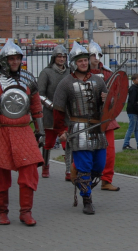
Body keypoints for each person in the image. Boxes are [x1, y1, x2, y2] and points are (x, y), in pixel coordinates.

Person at [0, 39, 44, 226]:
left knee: (29, 172)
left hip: (23, 131)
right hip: (0, 131)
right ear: (4, 60)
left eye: (17, 58)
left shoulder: (29, 79)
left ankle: (25, 212)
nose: (14, 62)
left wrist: (40, 131)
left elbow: (36, 106)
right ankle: (2, 211)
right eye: (11, 58)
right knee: (1, 175)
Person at [52, 42, 108, 215]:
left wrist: (107, 100)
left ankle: (81, 182)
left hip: (97, 128)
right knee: (84, 165)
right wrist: (61, 131)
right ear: (74, 63)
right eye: (80, 61)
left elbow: (108, 107)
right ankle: (87, 200)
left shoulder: (98, 81)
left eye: (85, 60)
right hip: (78, 129)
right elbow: (58, 109)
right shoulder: (66, 83)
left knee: (99, 165)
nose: (84, 63)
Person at [88, 41, 120, 192]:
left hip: (106, 117)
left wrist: (108, 98)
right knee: (86, 150)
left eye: (98, 55)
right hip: (87, 117)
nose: (96, 58)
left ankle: (106, 180)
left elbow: (116, 95)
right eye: (93, 55)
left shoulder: (108, 73)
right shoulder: (80, 73)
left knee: (110, 151)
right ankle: (82, 176)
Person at [37, 44, 69, 179]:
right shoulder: (46, 72)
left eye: (63, 56)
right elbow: (40, 94)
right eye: (59, 56)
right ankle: (45, 167)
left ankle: (69, 170)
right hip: (50, 113)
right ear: (54, 58)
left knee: (67, 142)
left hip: (66, 114)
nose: (61, 59)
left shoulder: (70, 72)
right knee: (47, 143)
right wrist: (53, 106)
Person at [123, 73, 138, 150]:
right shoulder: (133, 89)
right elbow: (133, 102)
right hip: (132, 111)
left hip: (134, 111)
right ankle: (126, 144)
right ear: (133, 80)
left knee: (136, 128)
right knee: (131, 128)